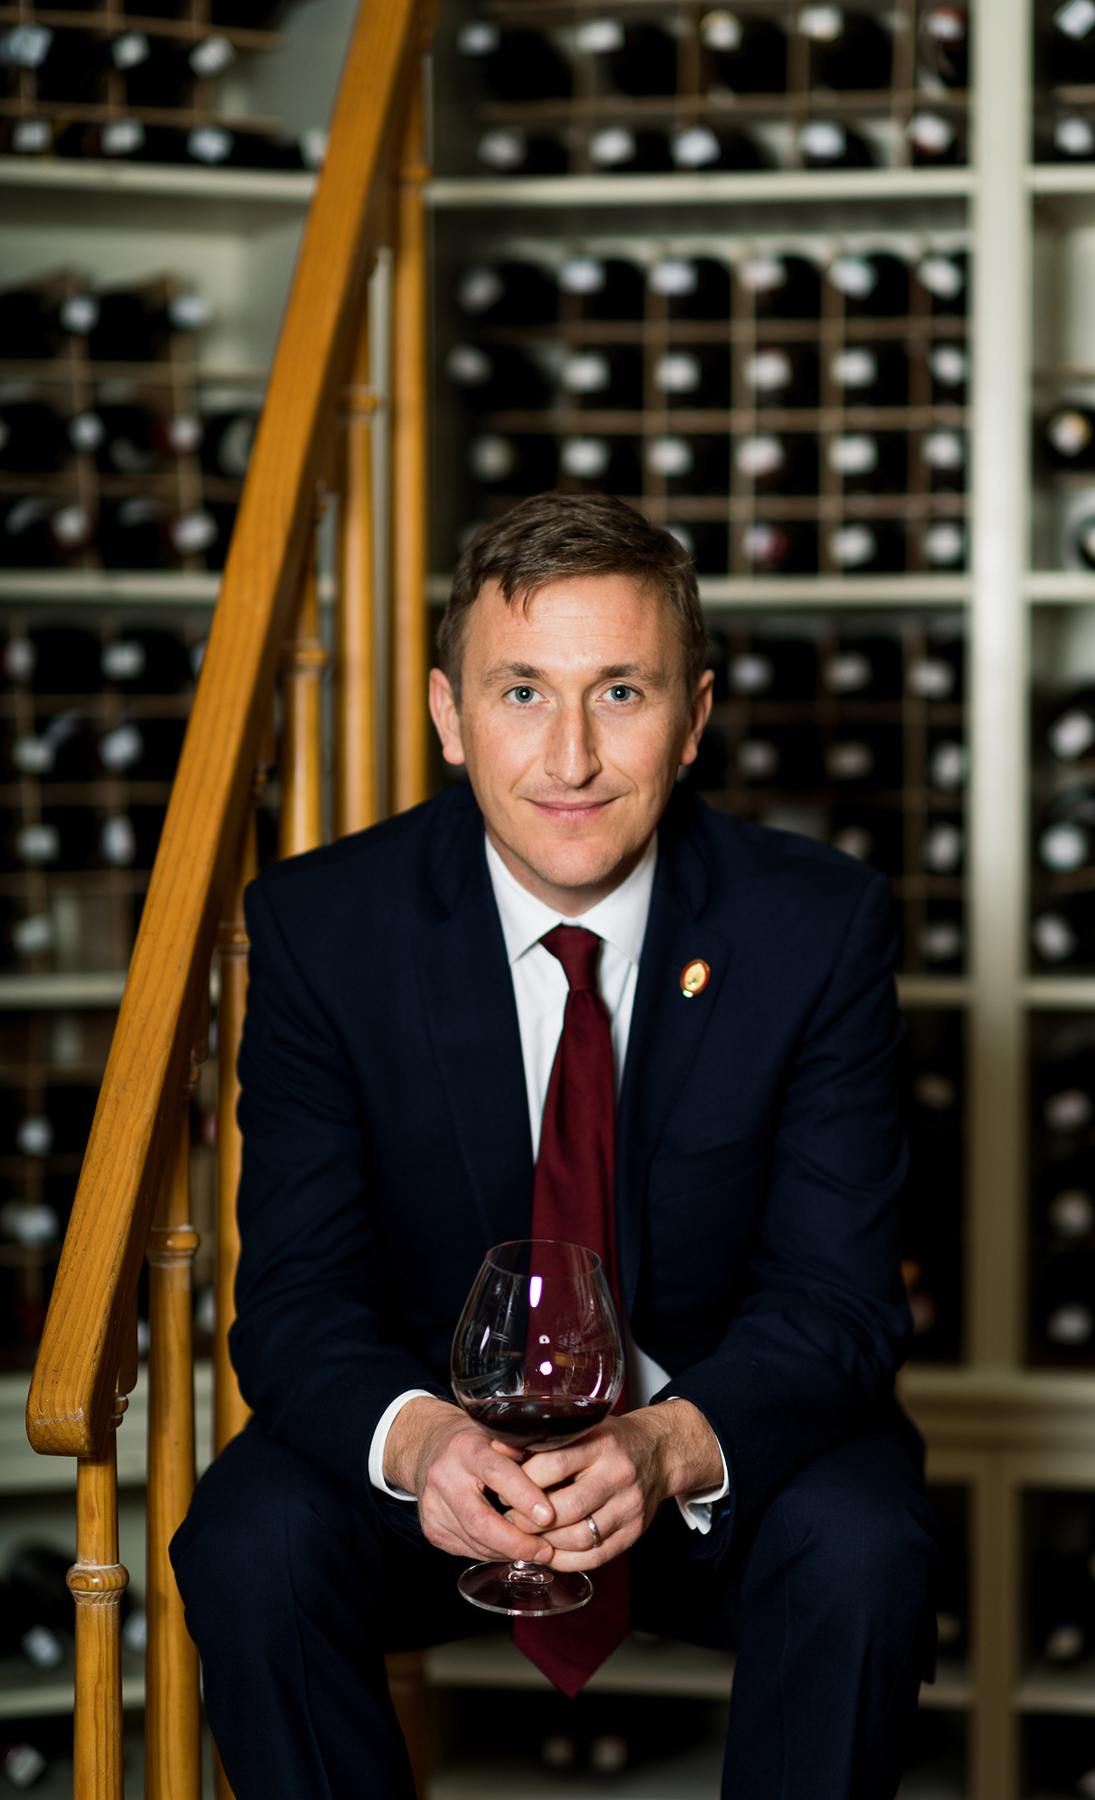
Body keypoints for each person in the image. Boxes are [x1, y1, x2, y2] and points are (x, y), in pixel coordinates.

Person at [172, 491, 938, 1799]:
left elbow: (840, 1303)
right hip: (448, 1466)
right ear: (447, 716)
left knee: (865, 1541)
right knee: (250, 1541)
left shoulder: (818, 927)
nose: (569, 758)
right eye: (522, 692)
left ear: (693, 719)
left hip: (704, 1455)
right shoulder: (321, 929)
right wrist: (423, 1447)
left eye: (620, 693)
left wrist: (670, 1443)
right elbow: (294, 1300)